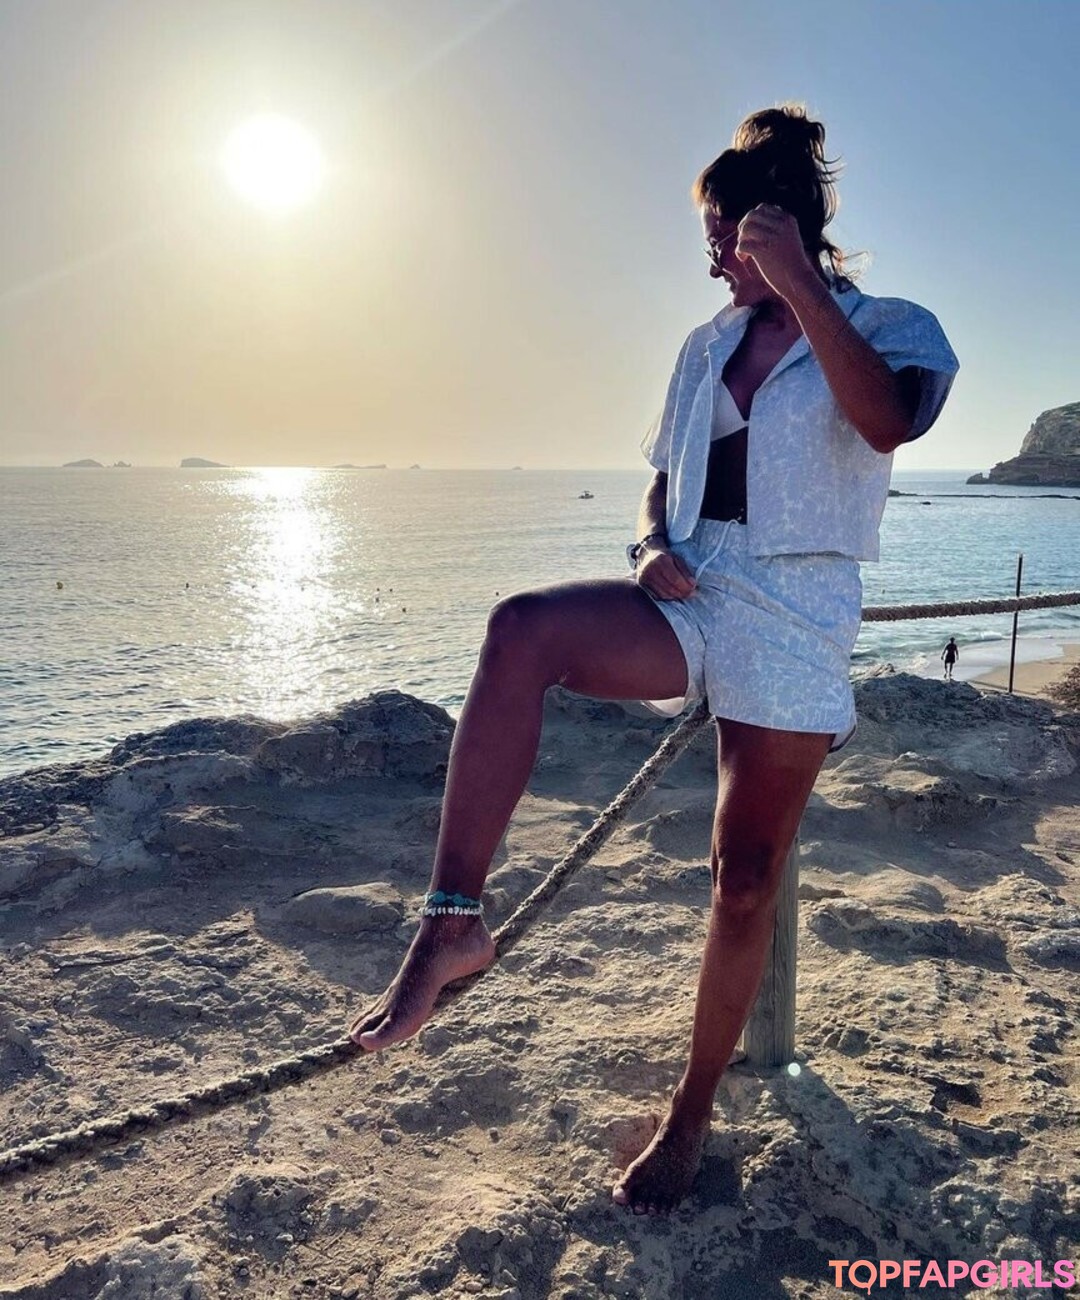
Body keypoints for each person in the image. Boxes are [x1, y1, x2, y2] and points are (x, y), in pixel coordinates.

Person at [348, 103, 959, 1216]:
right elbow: (662, 480)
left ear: (782, 226)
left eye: (728, 236)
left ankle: (691, 1110)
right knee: (520, 628)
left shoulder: (895, 325)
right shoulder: (702, 347)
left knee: (744, 878)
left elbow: (885, 425)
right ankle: (452, 919)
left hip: (797, 611)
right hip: (688, 586)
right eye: (711, 239)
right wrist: (646, 545)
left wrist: (804, 290)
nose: (714, 259)